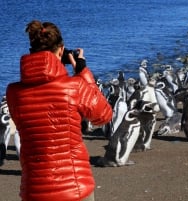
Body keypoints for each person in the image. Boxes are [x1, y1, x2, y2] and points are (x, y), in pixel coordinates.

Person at [6, 20, 113, 201]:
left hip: (34, 190)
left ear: (31, 50)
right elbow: (103, 115)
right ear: (61, 50)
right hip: (75, 188)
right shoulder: (74, 86)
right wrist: (83, 73)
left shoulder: (13, 92)